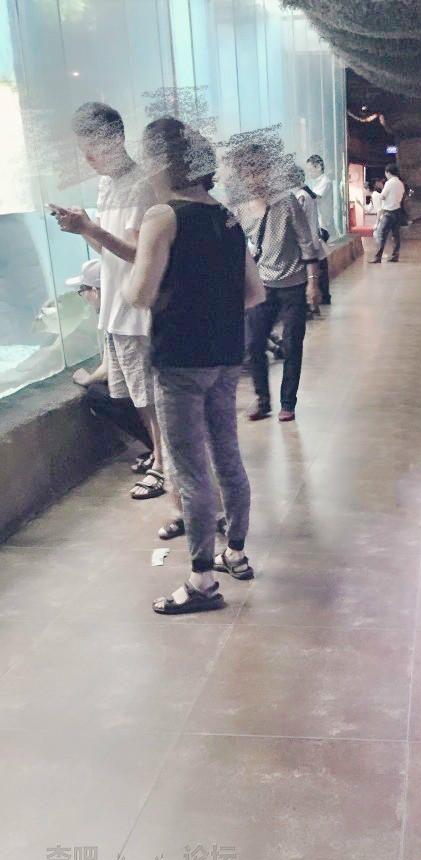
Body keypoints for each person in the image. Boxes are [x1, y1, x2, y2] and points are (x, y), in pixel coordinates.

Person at [123, 116, 264, 615]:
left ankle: (202, 581)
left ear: (163, 162)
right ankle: (236, 553)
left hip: (180, 359)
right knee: (227, 453)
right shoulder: (228, 217)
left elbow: (139, 293)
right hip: (225, 354)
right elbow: (254, 292)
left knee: (190, 470)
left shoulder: (163, 216)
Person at [52, 102, 166, 501]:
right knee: (138, 397)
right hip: (117, 308)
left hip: (138, 311)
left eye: (93, 147)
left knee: (151, 397)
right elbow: (107, 252)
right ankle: (160, 457)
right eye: (83, 148)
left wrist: (90, 227)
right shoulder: (106, 185)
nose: (88, 157)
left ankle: (164, 465)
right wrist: (82, 228)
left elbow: (139, 255)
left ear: (116, 139)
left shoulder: (141, 185)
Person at [230, 154, 320, 424]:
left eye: (257, 171)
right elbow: (237, 244)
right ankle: (263, 400)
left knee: (292, 345)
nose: (252, 178)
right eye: (247, 173)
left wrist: (313, 282)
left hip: (294, 285)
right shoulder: (240, 207)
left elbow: (306, 242)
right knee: (253, 344)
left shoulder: (287, 201)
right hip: (262, 285)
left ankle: (288, 403)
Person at [68, 259, 153, 458]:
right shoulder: (126, 309)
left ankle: (159, 451)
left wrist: (87, 379)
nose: (83, 296)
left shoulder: (118, 320)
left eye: (82, 290)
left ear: (95, 291)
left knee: (96, 394)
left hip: (152, 394)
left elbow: (108, 370)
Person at [292, 166, 327, 320]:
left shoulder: (300, 196)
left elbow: (296, 221)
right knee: (312, 275)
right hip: (312, 239)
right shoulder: (307, 194)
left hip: (305, 242)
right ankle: (314, 306)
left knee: (306, 276)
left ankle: (310, 307)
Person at [306, 154, 334, 305]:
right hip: (319, 226)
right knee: (320, 262)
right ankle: (323, 295)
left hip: (322, 227)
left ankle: (324, 295)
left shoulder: (325, 182)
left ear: (318, 166)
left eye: (310, 169)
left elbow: (316, 197)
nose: (309, 173)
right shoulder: (317, 182)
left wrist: (302, 187)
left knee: (320, 264)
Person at [369, 163, 406, 263]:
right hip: (397, 211)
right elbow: (402, 196)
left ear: (388, 172)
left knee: (380, 233)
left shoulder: (389, 183)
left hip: (388, 212)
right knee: (395, 235)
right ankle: (395, 256)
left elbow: (382, 196)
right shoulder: (400, 183)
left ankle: (378, 257)